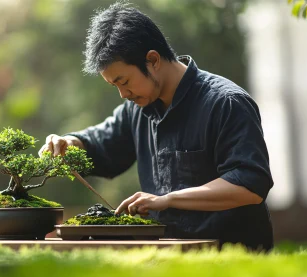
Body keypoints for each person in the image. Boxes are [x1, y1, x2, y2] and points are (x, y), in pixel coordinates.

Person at [38, 2, 274, 251]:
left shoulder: (225, 103)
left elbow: (250, 184)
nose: (122, 94)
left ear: (152, 60)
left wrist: (168, 200)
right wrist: (70, 143)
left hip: (233, 260)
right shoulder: (137, 108)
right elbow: (104, 143)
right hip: (167, 261)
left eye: (124, 81)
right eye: (114, 86)